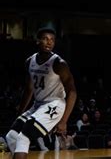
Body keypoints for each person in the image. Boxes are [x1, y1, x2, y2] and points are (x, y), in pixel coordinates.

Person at [5, 27, 77, 159]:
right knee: (11, 136)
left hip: (55, 104)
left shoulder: (59, 63)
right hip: (38, 104)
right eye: (45, 39)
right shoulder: (30, 62)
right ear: (37, 41)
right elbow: (29, 89)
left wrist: (64, 121)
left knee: (23, 137)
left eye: (52, 40)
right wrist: (20, 112)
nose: (49, 42)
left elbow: (72, 92)